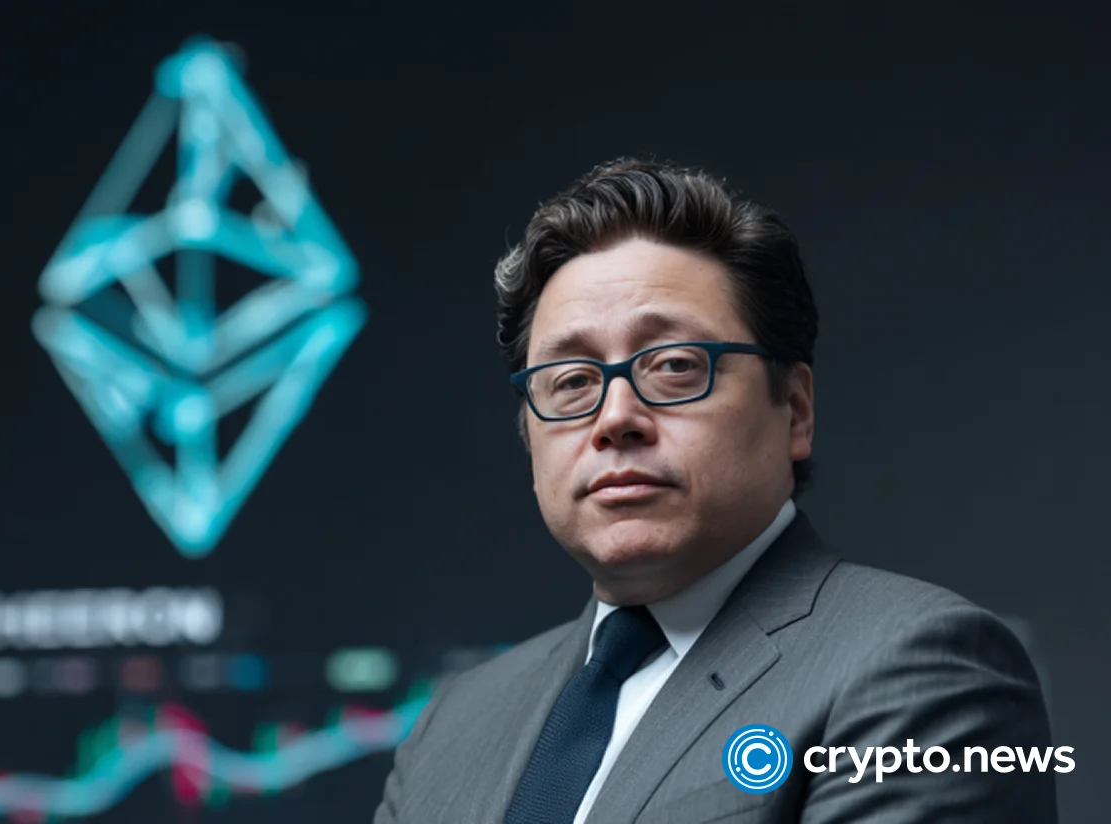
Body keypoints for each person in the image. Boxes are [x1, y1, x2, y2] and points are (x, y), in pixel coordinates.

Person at [373, 158, 1057, 823]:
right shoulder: (454, 724)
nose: (615, 418)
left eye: (674, 365)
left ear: (795, 409)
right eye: (572, 381)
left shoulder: (925, 666)